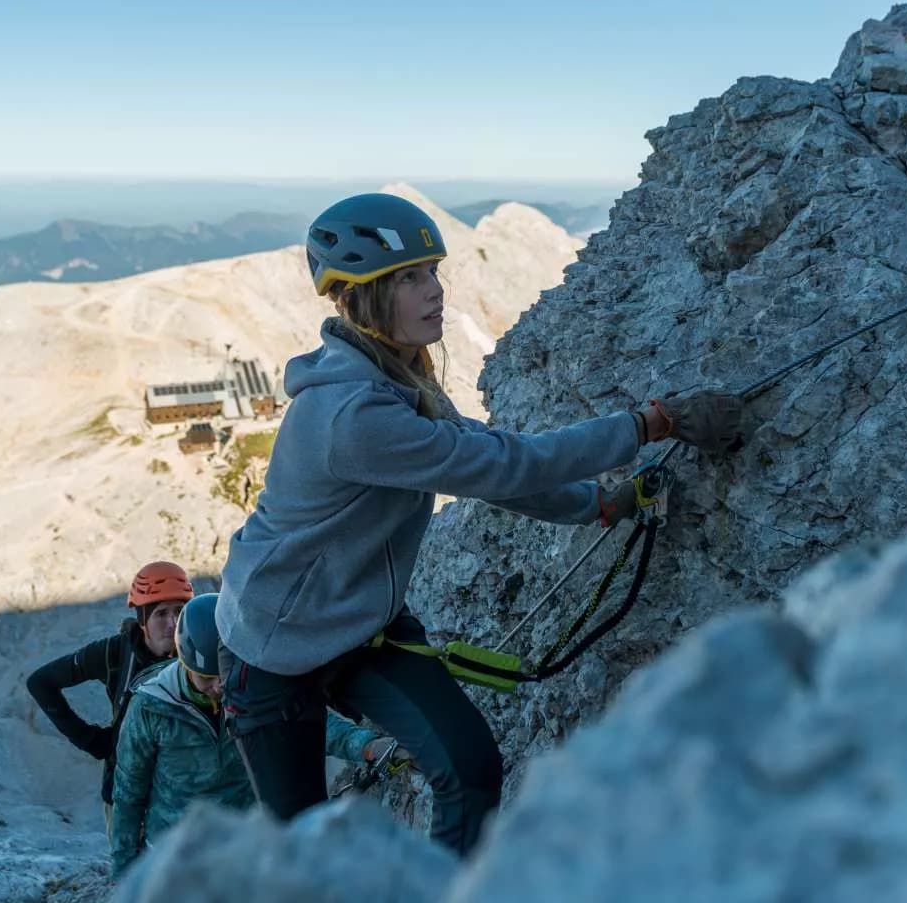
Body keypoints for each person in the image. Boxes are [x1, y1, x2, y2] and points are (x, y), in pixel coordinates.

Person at [214, 193, 749, 855]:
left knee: (470, 771)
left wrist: (594, 505)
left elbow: (486, 468)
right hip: (270, 650)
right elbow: (505, 467)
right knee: (301, 850)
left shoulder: (396, 378)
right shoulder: (354, 415)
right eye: (410, 278)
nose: (434, 291)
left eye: (434, 271)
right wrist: (648, 424)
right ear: (361, 297)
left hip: (358, 627)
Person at [110, 594, 398, 878]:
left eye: (223, 672)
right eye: (206, 677)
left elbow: (313, 725)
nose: (219, 686)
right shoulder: (150, 707)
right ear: (185, 664)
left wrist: (368, 746)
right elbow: (128, 794)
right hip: (176, 860)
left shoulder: (253, 688)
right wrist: (124, 874)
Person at [26, 560, 194, 832]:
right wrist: (93, 741)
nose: (172, 623)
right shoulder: (115, 654)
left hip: (190, 798)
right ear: (142, 619)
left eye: (180, 611)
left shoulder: (201, 652)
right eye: (161, 613)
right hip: (128, 799)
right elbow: (41, 682)